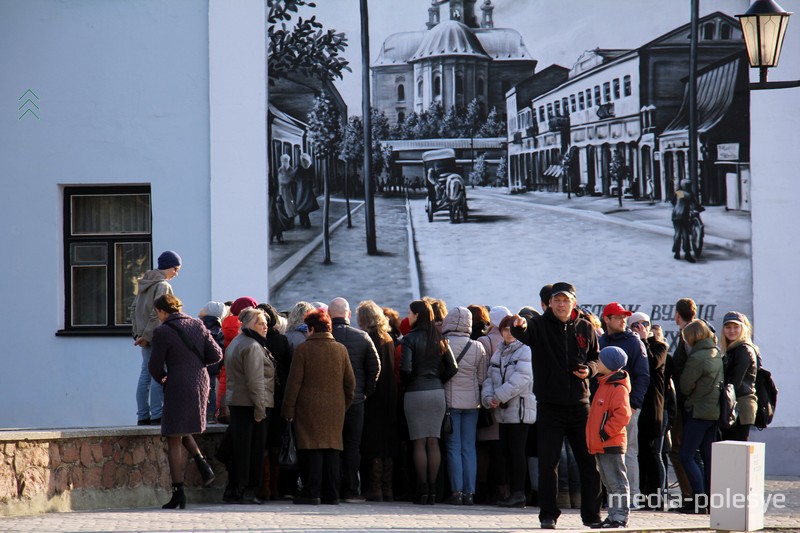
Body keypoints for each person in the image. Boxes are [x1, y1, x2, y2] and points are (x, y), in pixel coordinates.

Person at [511, 281, 602, 530]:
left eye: (566, 300)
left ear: (574, 302)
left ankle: (592, 515)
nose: (561, 304)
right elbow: (523, 332)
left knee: (589, 462)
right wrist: (517, 325)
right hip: (549, 405)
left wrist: (590, 370)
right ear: (549, 303)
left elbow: (596, 358)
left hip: (580, 404)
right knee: (548, 463)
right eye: (557, 300)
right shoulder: (539, 325)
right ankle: (548, 515)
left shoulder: (585, 326)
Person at [148, 294, 222, 509]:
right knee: (179, 426)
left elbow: (155, 366)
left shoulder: (162, 331)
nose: (157, 317)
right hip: (200, 381)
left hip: (178, 383)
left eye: (157, 313)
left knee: (172, 436)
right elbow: (216, 354)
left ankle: (178, 492)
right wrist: (195, 365)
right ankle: (202, 464)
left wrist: (164, 378)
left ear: (162, 311)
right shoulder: (198, 325)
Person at [283, 309, 356, 505]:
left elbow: (294, 383)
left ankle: (312, 492)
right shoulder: (341, 350)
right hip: (335, 409)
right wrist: (343, 405)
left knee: (311, 449)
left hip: (308, 408)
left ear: (312, 328)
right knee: (332, 449)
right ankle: (332, 494)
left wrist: (288, 410)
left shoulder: (304, 350)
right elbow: (350, 384)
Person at [400, 300, 458, 505]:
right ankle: (434, 491)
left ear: (417, 315)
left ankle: (422, 490)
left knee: (418, 441)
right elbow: (453, 368)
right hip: (436, 393)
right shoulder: (441, 338)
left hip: (415, 392)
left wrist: (409, 383)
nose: (408, 316)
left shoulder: (409, 339)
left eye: (409, 313)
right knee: (434, 440)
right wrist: (437, 380)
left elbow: (406, 368)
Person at [329, 297, 381, 502]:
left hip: (329, 401)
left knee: (331, 444)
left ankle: (331, 488)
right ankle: (351, 489)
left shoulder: (324, 336)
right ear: (348, 314)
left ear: (329, 315)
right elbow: (375, 368)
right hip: (356, 400)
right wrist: (366, 391)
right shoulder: (363, 337)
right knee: (352, 446)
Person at [223, 307, 277, 504]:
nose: (265, 327)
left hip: (238, 403)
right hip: (252, 405)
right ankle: (247, 490)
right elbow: (255, 381)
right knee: (252, 450)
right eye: (260, 323)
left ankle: (234, 489)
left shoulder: (236, 343)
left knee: (240, 449)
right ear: (248, 325)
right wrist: (260, 409)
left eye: (265, 323)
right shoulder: (253, 346)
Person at [599, 302, 650, 507]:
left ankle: (632, 498)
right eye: (618, 317)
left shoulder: (634, 342)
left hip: (626, 406)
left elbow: (643, 375)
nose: (623, 320)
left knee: (628, 451)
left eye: (624, 317)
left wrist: (634, 404)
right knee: (606, 451)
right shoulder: (600, 341)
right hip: (603, 406)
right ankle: (614, 498)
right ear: (607, 319)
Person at [482, 314, 535, 508]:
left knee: (517, 453)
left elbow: (522, 378)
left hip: (519, 410)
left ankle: (519, 493)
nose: (508, 333)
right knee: (505, 452)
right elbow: (489, 377)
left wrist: (499, 396)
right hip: (502, 412)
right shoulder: (499, 352)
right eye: (505, 329)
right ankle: (512, 492)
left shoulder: (526, 350)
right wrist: (488, 398)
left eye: (511, 329)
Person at [441, 306, 487, 506]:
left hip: (450, 403)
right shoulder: (477, 347)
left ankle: (456, 491)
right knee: (469, 447)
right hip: (472, 403)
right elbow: (481, 378)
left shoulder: (444, 344)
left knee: (453, 447)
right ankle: (470, 492)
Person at [132, 250, 182, 426]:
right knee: (157, 374)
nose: (176, 273)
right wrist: (146, 336)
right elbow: (158, 314)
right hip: (157, 335)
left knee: (145, 373)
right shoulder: (163, 286)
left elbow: (133, 309)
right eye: (175, 269)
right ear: (168, 266)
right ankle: (157, 414)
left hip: (143, 336)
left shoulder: (145, 282)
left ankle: (142, 415)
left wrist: (138, 334)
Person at [678, 319, 722, 514]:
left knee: (686, 456)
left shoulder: (697, 357)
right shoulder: (715, 352)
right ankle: (708, 502)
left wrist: (692, 386)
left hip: (698, 411)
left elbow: (685, 385)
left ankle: (698, 500)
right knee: (706, 458)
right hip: (713, 411)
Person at [356, 300, 399, 502]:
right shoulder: (388, 338)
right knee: (387, 442)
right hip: (390, 394)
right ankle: (387, 487)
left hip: (373, 395)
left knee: (373, 442)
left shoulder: (368, 338)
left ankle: (375, 488)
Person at [586, 346, 632, 529]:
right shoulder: (604, 384)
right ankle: (613, 516)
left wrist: (605, 433)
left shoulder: (617, 387)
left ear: (609, 364)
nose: (597, 363)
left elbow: (622, 415)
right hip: (602, 443)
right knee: (609, 482)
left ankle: (620, 517)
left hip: (610, 443)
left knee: (617, 482)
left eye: (600, 360)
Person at [628, 312, 668, 509]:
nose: (640, 327)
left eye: (644, 324)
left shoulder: (659, 346)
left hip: (653, 406)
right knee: (639, 453)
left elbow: (651, 364)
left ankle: (656, 498)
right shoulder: (630, 345)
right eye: (635, 324)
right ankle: (643, 495)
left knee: (653, 454)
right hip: (636, 406)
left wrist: (643, 341)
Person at [257, 303, 293, 501]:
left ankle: (264, 487)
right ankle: (274, 488)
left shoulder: (257, 341)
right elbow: (288, 367)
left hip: (262, 393)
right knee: (276, 442)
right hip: (279, 394)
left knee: (263, 441)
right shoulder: (281, 340)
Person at [668, 298, 698, 510]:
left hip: (686, 402)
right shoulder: (695, 332)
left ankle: (691, 497)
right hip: (691, 402)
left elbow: (688, 370)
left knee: (679, 451)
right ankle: (695, 496)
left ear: (677, 314)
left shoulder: (688, 335)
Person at [217, 296, 259, 424]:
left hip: (225, 365)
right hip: (242, 367)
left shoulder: (224, 324)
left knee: (223, 388)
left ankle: (221, 413)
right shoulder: (247, 327)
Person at [720, 311, 759, 442]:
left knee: (737, 455)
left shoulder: (744, 350)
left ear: (743, 328)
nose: (732, 331)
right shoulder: (732, 350)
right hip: (734, 406)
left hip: (740, 408)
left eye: (736, 327)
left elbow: (734, 384)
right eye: (728, 327)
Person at [198, 301, 227, 423]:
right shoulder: (218, 327)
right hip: (213, 366)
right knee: (211, 389)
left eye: (205, 306)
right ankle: (209, 415)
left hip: (203, 364)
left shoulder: (204, 326)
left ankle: (206, 414)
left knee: (205, 389)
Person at [671, 178, 699, 263]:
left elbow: (673, 202)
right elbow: (696, 205)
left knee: (677, 233)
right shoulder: (690, 194)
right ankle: (687, 254)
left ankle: (677, 253)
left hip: (675, 215)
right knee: (685, 234)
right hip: (684, 216)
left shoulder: (679, 193)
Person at [295, 153, 320, 228]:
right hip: (304, 190)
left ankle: (305, 222)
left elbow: (295, 177)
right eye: (303, 160)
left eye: (304, 160)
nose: (304, 162)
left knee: (303, 207)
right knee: (303, 207)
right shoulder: (306, 168)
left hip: (303, 190)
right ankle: (305, 222)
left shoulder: (301, 168)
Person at [277, 154, 297, 224]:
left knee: (290, 207)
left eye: (285, 161)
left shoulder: (291, 170)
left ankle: (291, 222)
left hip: (289, 192)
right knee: (283, 207)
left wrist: (285, 183)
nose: (283, 162)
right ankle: (286, 222)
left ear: (288, 161)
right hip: (282, 191)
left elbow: (291, 180)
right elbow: (279, 181)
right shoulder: (280, 170)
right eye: (282, 161)